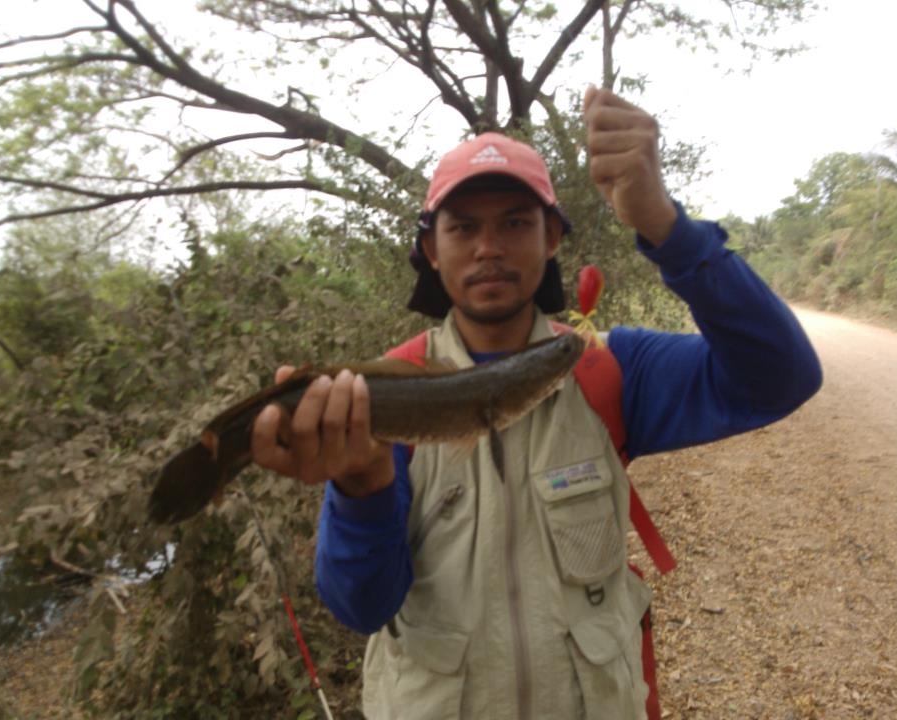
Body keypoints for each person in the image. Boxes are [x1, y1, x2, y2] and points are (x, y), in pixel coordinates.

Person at [250, 86, 822, 719]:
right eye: (463, 227)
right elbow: (364, 607)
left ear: (551, 237)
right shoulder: (385, 395)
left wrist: (667, 226)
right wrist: (362, 485)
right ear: (432, 250)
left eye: (515, 223)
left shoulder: (608, 370)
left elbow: (782, 377)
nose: (488, 247)